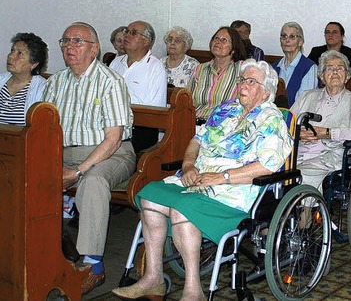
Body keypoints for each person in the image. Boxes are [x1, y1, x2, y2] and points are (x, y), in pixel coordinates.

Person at [112, 60, 293, 301]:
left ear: (266, 91)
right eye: (242, 80)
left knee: (181, 210)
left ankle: (192, 290)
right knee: (150, 196)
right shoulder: (226, 109)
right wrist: (188, 165)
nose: (243, 85)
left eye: (251, 81)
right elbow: (197, 141)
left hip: (236, 190)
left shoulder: (272, 120)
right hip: (199, 180)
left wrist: (221, 177)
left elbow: (266, 166)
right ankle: (153, 278)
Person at [43, 22, 136, 294]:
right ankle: (44, 253)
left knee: (93, 182)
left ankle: (93, 266)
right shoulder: (56, 82)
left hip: (111, 153)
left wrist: (78, 171)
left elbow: (113, 139)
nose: (70, 46)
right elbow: (46, 133)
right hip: (64, 153)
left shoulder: (111, 82)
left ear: (94, 49)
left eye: (78, 41)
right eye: (65, 41)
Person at [291, 50, 351, 197]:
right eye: (329, 68)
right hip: (296, 153)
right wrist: (297, 133)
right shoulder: (307, 96)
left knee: (305, 177)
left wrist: (328, 133)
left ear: (347, 76)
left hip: (327, 157)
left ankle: (305, 219)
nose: (334, 72)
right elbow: (287, 122)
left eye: (340, 68)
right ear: (322, 76)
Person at [110, 20, 167, 153]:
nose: (126, 36)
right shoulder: (115, 63)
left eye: (133, 33)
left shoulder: (155, 67)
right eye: (127, 32)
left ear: (146, 41)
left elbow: (155, 112)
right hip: (111, 124)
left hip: (139, 128)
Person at [189, 26, 247, 124]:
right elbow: (187, 101)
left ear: (233, 49)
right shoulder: (200, 69)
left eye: (224, 40)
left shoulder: (242, 69)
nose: (218, 42)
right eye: (216, 38)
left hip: (224, 127)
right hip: (195, 124)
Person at [0, 33, 48, 125]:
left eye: (20, 53)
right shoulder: (1, 80)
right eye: (12, 50)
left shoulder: (43, 89)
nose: (10, 56)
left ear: (34, 64)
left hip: (22, 139)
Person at [308, 22, 351, 96]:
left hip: (343, 94)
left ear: (342, 36)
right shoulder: (316, 52)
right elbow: (308, 74)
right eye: (327, 32)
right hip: (319, 93)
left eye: (334, 32)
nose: (330, 35)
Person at [272, 21, 318, 107]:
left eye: (292, 37)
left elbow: (303, 103)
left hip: (295, 118)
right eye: (284, 36)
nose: (287, 40)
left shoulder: (310, 68)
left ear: (300, 42)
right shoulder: (273, 68)